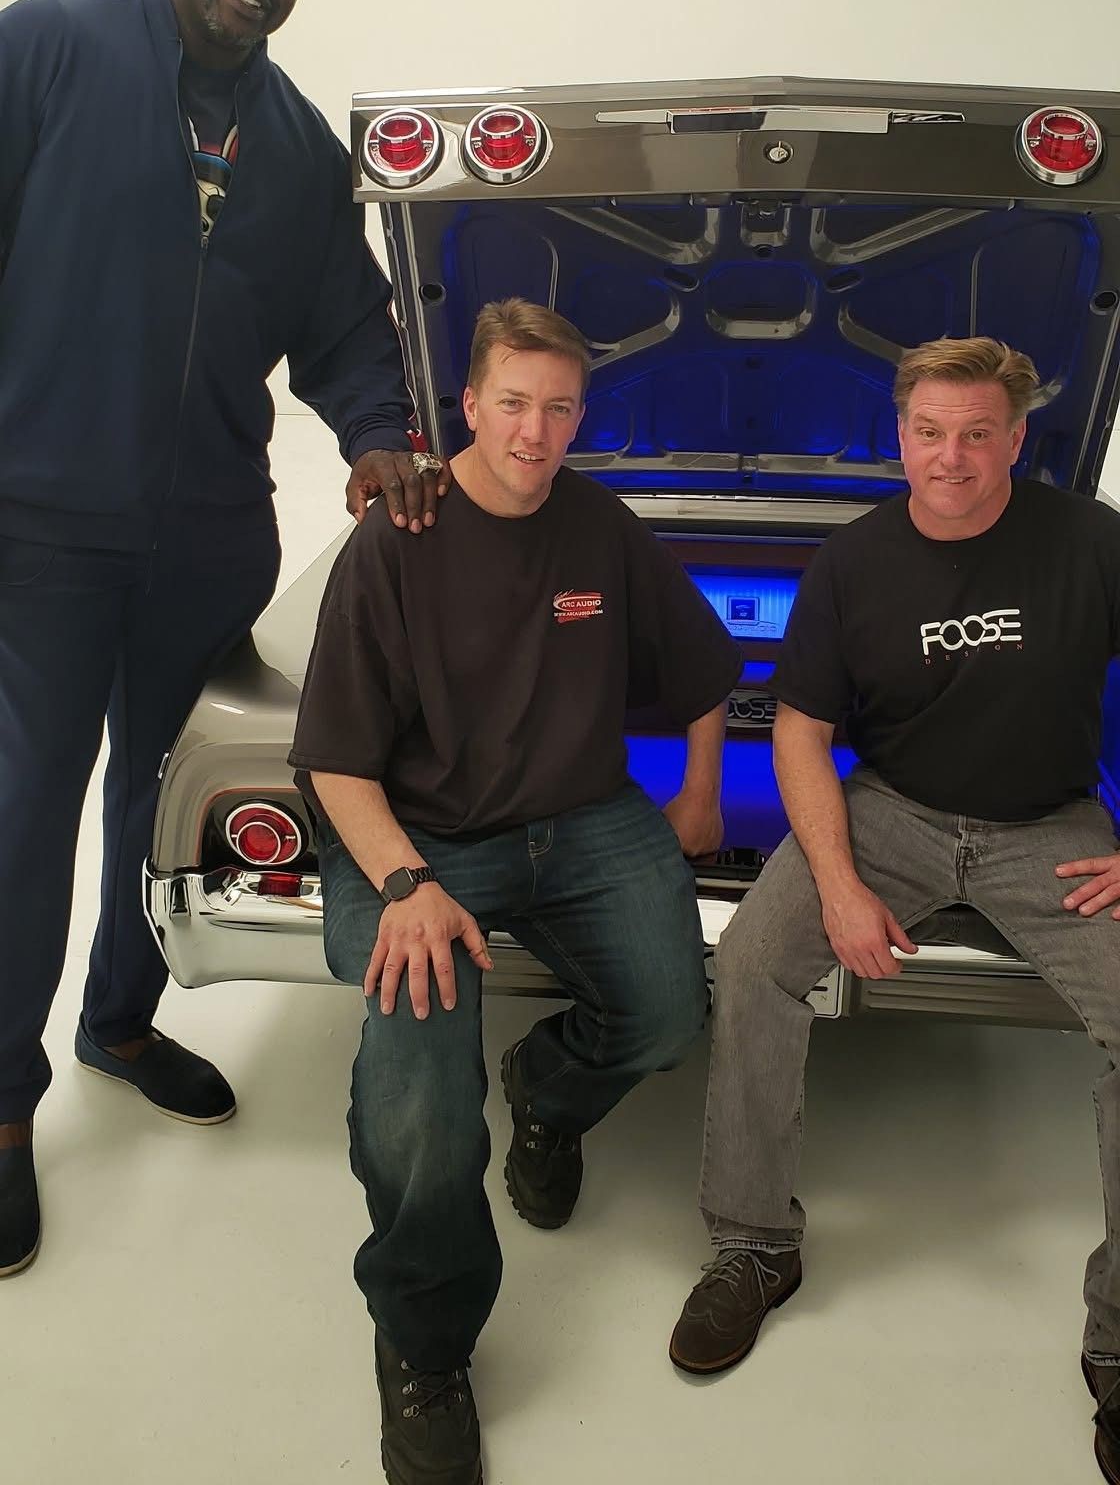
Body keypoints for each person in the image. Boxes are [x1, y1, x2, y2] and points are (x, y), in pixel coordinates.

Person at [0, 0, 447, 1280]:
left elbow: (349, 325)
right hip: (44, 521)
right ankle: (5, 1116)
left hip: (203, 530)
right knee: (23, 811)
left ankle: (121, 1020)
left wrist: (378, 436)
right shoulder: (50, 46)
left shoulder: (302, 148)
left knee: (161, 793)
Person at [289, 297, 743, 1485]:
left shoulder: (601, 527)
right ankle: (425, 1349)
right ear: (466, 407)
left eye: (557, 407)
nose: (534, 431)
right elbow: (334, 762)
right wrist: (405, 884)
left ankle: (543, 1092)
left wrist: (697, 796)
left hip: (583, 818)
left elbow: (706, 665)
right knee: (423, 1115)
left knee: (664, 1014)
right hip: (420, 840)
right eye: (511, 404)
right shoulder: (396, 537)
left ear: (579, 413)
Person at [668, 335, 1120, 1485]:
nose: (951, 457)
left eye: (978, 433)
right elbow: (804, 735)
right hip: (897, 810)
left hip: (1051, 829)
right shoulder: (855, 565)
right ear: (898, 435)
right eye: (929, 432)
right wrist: (836, 882)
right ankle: (755, 1245)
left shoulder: (1088, 540)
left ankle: (1116, 1338)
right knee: (757, 963)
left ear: (1019, 439)